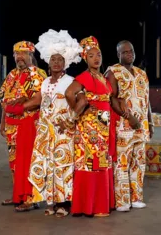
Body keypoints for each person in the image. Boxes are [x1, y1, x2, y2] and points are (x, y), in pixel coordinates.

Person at [15, 29, 82, 217]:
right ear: (48, 62)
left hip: (63, 131)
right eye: (53, 59)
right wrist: (17, 108)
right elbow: (37, 100)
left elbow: (80, 104)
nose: (56, 62)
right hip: (45, 131)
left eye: (60, 59)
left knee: (63, 166)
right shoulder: (44, 82)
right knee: (48, 165)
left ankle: (64, 203)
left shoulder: (71, 81)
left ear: (66, 62)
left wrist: (70, 120)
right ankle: (51, 201)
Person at [65, 36, 115, 217]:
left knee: (101, 163)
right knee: (90, 165)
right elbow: (69, 93)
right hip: (90, 127)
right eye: (92, 55)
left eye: (99, 55)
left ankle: (99, 204)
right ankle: (88, 206)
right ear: (86, 58)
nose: (96, 58)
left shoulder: (102, 77)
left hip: (104, 123)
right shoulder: (84, 77)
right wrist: (80, 111)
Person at [0, 40, 47, 212]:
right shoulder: (11, 75)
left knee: (29, 163)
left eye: (23, 53)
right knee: (14, 164)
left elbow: (39, 101)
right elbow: (5, 100)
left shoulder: (37, 75)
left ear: (31, 55)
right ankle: (18, 194)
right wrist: (3, 122)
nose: (19, 57)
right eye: (16, 54)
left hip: (29, 125)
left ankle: (31, 198)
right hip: (12, 127)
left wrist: (20, 106)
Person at [105, 40, 154, 212]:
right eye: (124, 52)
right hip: (123, 127)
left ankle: (137, 198)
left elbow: (147, 100)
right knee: (122, 164)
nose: (129, 54)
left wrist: (151, 122)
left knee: (139, 163)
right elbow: (111, 99)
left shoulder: (142, 74)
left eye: (131, 51)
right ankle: (122, 201)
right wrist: (128, 116)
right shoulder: (113, 72)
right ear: (118, 54)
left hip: (141, 127)